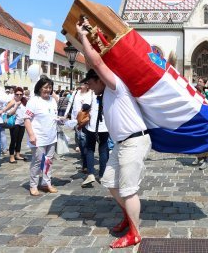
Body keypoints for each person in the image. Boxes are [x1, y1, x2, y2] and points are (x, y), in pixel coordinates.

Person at [76, 20, 151, 248]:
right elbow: (92, 62)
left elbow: (97, 63)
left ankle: (135, 233)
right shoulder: (104, 91)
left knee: (128, 189)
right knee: (110, 181)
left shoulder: (114, 85)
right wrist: (87, 37)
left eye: (89, 82)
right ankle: (129, 217)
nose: (88, 85)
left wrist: (83, 38)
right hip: (121, 143)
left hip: (134, 141)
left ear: (98, 79)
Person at [24, 76, 58, 196]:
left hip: (51, 137)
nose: (48, 90)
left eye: (50, 87)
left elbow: (53, 116)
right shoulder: (33, 101)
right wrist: (31, 135)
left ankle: (46, 183)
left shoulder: (52, 100)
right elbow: (27, 119)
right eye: (45, 87)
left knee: (48, 162)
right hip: (38, 138)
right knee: (38, 162)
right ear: (39, 88)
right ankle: (33, 185)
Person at [81, 82, 109, 187]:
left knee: (90, 149)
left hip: (92, 126)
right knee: (103, 150)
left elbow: (86, 106)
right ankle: (102, 175)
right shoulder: (108, 92)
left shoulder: (92, 93)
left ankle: (91, 174)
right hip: (105, 126)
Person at [64, 80, 92, 153]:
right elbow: (70, 103)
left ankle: (84, 147)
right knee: (77, 131)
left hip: (85, 116)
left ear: (87, 86)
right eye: (81, 83)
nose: (82, 85)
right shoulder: (75, 93)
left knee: (84, 133)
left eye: (84, 83)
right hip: (75, 116)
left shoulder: (90, 93)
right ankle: (78, 145)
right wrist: (66, 114)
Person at [192, 77, 208, 170]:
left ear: (204, 84)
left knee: (204, 139)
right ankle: (199, 156)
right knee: (197, 139)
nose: (199, 83)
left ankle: (206, 160)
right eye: (198, 81)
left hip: (205, 119)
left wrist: (206, 87)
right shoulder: (195, 91)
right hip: (197, 118)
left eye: (201, 82)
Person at [5, 87, 28, 163]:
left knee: (19, 140)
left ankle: (17, 154)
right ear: (14, 94)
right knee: (13, 140)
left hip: (22, 123)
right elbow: (8, 113)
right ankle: (11, 156)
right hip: (15, 124)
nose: (19, 96)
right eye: (17, 94)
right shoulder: (12, 102)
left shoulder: (24, 102)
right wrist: (16, 106)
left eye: (20, 94)